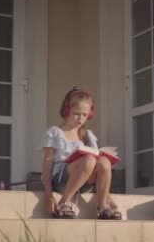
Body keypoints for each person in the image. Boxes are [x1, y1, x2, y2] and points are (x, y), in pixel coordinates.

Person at [41, 86, 121, 220]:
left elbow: (100, 167)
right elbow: (47, 164)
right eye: (76, 113)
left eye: (85, 115)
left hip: (85, 182)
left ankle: (103, 205)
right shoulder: (55, 132)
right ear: (67, 110)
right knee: (89, 159)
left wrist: (108, 195)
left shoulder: (88, 135)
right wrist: (48, 195)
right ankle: (64, 202)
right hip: (61, 179)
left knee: (104, 161)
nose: (80, 118)